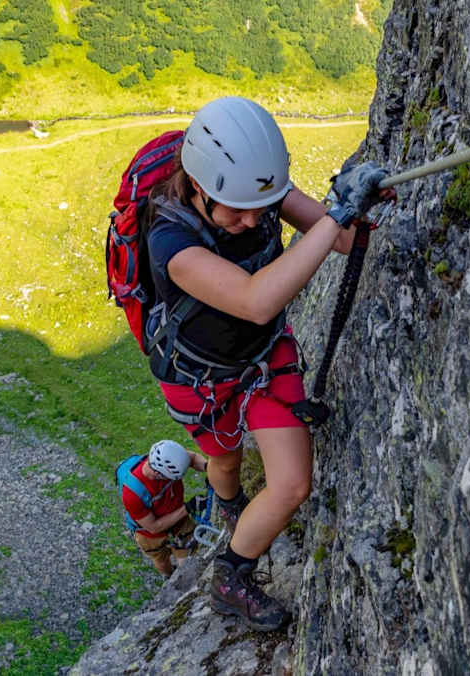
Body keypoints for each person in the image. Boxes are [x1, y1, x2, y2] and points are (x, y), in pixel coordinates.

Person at [143, 96, 388, 630]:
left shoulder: (255, 190)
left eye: (265, 205)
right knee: (224, 462)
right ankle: (228, 501)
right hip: (199, 380)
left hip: (260, 360)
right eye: (237, 211)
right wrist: (338, 214)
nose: (255, 219)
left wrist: (352, 201)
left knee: (293, 484)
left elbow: (341, 240)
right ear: (200, 188)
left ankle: (230, 576)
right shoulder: (169, 239)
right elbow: (256, 299)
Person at [121, 439, 209, 578]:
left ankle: (182, 579)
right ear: (158, 474)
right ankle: (168, 576)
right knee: (161, 560)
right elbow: (154, 527)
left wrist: (209, 469)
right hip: (150, 535)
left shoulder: (170, 458)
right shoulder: (131, 494)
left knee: (186, 564)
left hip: (179, 521)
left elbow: (192, 458)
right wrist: (189, 508)